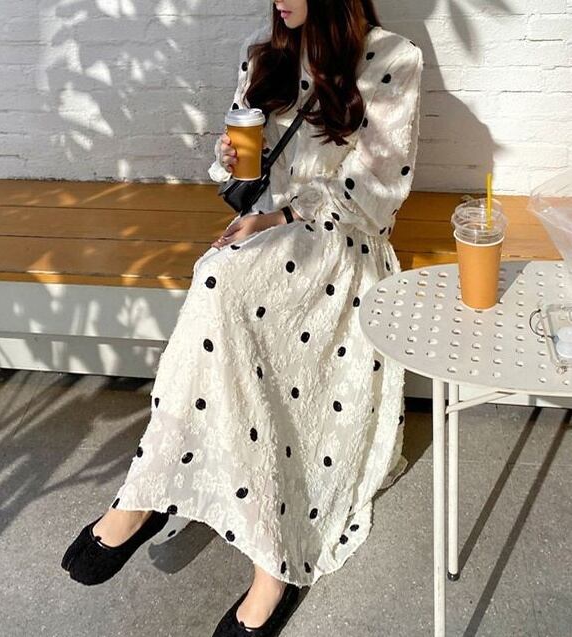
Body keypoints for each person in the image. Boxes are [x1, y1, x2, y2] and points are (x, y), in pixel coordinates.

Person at [62, 0, 424, 634]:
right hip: (263, 233)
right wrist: (230, 163)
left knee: (222, 283)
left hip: (342, 242)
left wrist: (283, 216)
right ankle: (150, 491)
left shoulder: (393, 58)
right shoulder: (265, 53)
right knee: (221, 283)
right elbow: (247, 167)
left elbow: (377, 191)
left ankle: (268, 559)